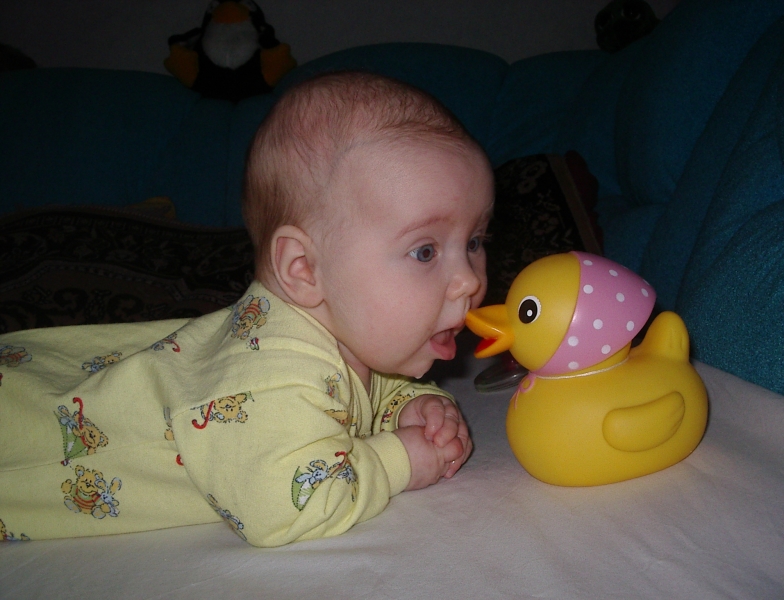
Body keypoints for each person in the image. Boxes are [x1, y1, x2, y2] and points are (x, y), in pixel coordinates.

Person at [0, 71, 494, 547]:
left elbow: (362, 390)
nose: (470, 279)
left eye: (474, 241)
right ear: (303, 268)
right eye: (425, 251)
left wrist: (409, 405)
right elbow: (285, 506)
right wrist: (400, 459)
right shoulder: (268, 376)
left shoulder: (347, 340)